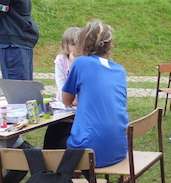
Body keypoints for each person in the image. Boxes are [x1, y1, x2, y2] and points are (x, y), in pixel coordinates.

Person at [62, 21, 128, 168]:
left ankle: (55, 178)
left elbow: (66, 101)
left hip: (90, 151)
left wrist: (72, 64)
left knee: (55, 133)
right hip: (119, 149)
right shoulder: (120, 70)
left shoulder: (80, 63)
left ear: (83, 43)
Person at [55, 27, 81, 103]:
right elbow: (60, 82)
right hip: (64, 98)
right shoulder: (61, 59)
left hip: (80, 100)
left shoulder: (84, 60)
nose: (77, 48)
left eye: (80, 44)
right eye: (73, 45)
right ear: (66, 45)